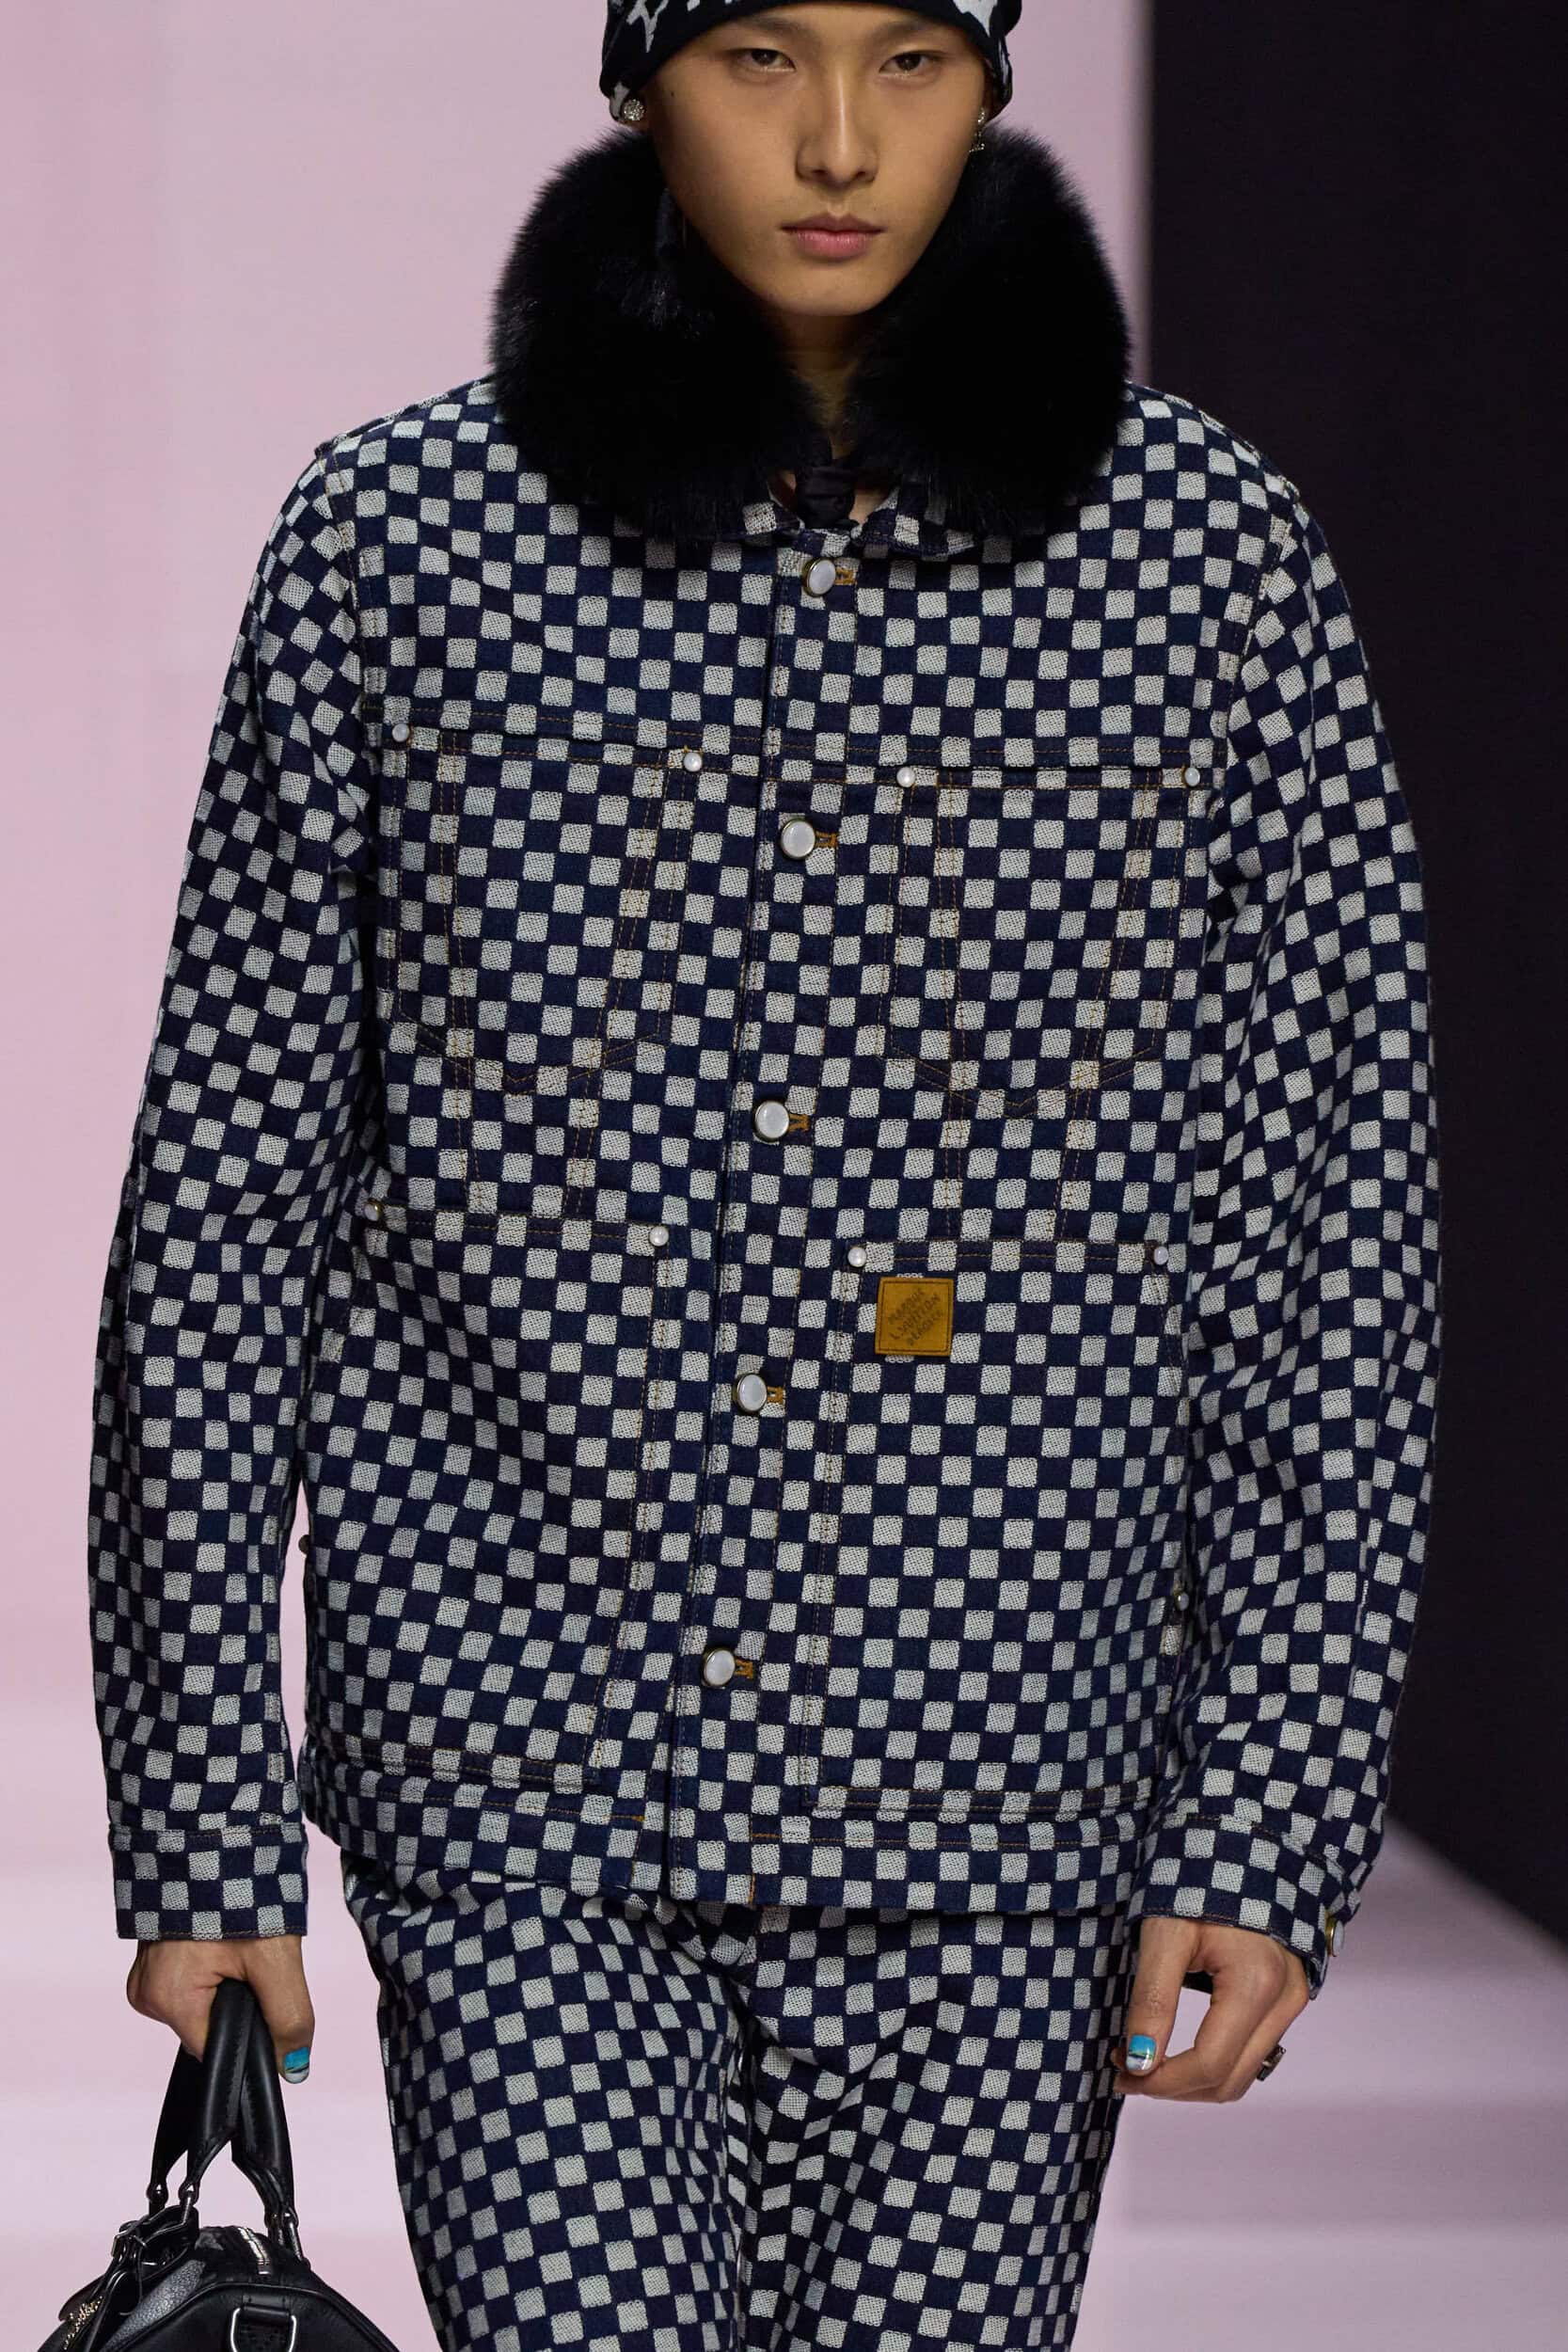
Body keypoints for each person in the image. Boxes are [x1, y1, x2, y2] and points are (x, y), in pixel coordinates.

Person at [87, 5, 1443, 2346]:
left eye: (909, 57)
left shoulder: (1204, 564)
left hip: (1003, 1781)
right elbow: (225, 1205)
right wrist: (205, 1816)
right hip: (521, 1769)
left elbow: (1328, 1227)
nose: (835, 140)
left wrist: (1274, 1807)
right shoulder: (404, 547)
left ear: (993, 81)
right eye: (756, 56)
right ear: (639, 77)